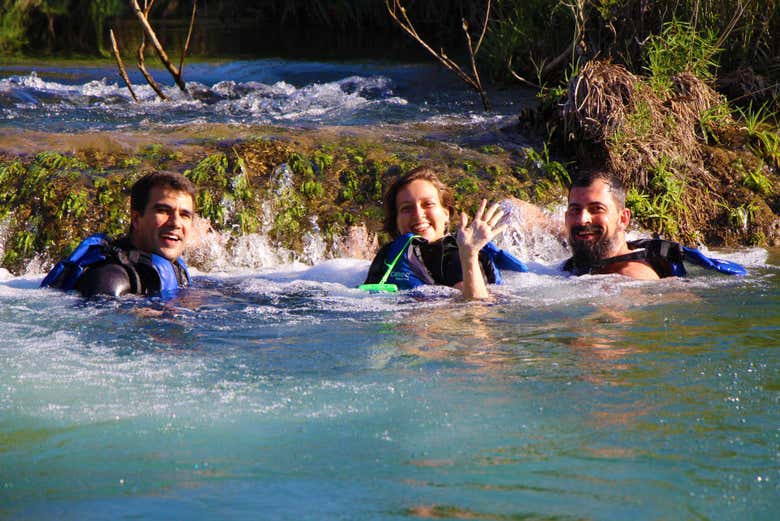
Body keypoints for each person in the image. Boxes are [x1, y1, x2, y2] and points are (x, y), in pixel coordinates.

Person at [362, 166, 527, 299]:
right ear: (396, 220)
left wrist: (469, 255)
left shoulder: (454, 254)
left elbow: (477, 310)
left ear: (446, 213)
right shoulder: (390, 255)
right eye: (406, 208)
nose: (418, 214)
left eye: (428, 204)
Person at [563, 168, 746, 278]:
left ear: (623, 219)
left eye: (597, 209)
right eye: (575, 210)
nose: (582, 219)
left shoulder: (631, 278)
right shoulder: (594, 259)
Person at [41, 171, 196, 297]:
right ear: (136, 219)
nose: (176, 223)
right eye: (163, 211)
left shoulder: (175, 268)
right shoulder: (110, 278)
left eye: (184, 215)